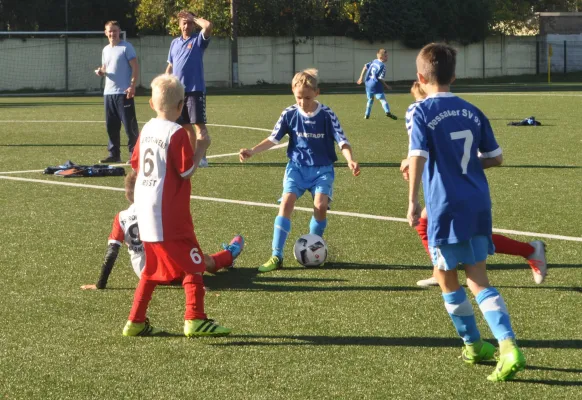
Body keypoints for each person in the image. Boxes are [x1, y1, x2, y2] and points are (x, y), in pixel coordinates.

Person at [406, 43, 525, 382]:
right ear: (454, 76)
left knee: (446, 277)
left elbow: (417, 156)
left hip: (445, 206)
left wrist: (412, 200)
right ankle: (507, 344)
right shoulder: (472, 110)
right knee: (479, 278)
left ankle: (474, 345)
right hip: (477, 201)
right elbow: (496, 158)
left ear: (420, 77)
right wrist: (468, 166)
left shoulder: (421, 111)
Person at [402, 82, 548, 288]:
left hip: (447, 188)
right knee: (436, 226)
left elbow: (422, 151)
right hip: (470, 185)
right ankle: (440, 269)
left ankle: (529, 250)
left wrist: (413, 175)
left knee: (466, 237)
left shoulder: (419, 112)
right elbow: (493, 158)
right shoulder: (465, 110)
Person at [122, 74, 232, 338]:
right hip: (169, 213)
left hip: (145, 209)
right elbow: (186, 171)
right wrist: (201, 148)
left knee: (151, 270)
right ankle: (195, 318)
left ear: (151, 103)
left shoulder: (146, 129)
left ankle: (135, 321)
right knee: (194, 263)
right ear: (182, 106)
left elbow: (136, 164)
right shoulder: (177, 133)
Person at [239, 69, 360, 272]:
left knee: (320, 206)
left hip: (322, 170)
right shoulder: (289, 113)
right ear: (293, 93)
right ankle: (276, 256)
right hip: (296, 168)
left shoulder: (327, 115)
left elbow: (342, 140)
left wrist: (350, 160)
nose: (303, 101)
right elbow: (273, 138)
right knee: (286, 203)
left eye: (307, 97)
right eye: (299, 97)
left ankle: (315, 245)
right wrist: (252, 150)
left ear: (317, 93)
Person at [80, 171, 244, 291]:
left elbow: (111, 253)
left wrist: (99, 284)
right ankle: (228, 256)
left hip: (145, 274)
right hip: (171, 270)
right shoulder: (158, 211)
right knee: (202, 259)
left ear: (127, 195)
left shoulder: (121, 217)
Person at [166, 10, 213, 169]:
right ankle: (193, 155)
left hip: (195, 91)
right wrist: (166, 82)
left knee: (199, 126)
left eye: (190, 23)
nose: (187, 25)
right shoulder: (174, 43)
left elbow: (207, 25)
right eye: (184, 22)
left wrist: (192, 17)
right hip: (178, 93)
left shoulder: (198, 40)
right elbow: (171, 66)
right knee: (185, 126)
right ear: (179, 25)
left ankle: (203, 158)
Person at [95, 21, 140, 164]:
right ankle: (114, 154)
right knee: (111, 126)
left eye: (114, 31)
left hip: (123, 93)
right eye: (109, 31)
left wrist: (132, 85)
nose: (112, 34)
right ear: (105, 32)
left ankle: (135, 155)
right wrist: (101, 72)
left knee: (129, 126)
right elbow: (105, 67)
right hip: (109, 93)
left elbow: (135, 67)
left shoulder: (126, 47)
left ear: (119, 31)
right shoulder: (105, 50)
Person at [356, 49, 398, 120]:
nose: (387, 57)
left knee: (370, 99)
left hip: (368, 83)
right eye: (385, 56)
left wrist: (361, 77)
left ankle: (366, 115)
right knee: (382, 99)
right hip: (375, 84)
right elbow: (380, 78)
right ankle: (387, 112)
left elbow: (365, 67)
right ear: (381, 57)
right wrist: (386, 86)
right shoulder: (383, 66)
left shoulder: (374, 61)